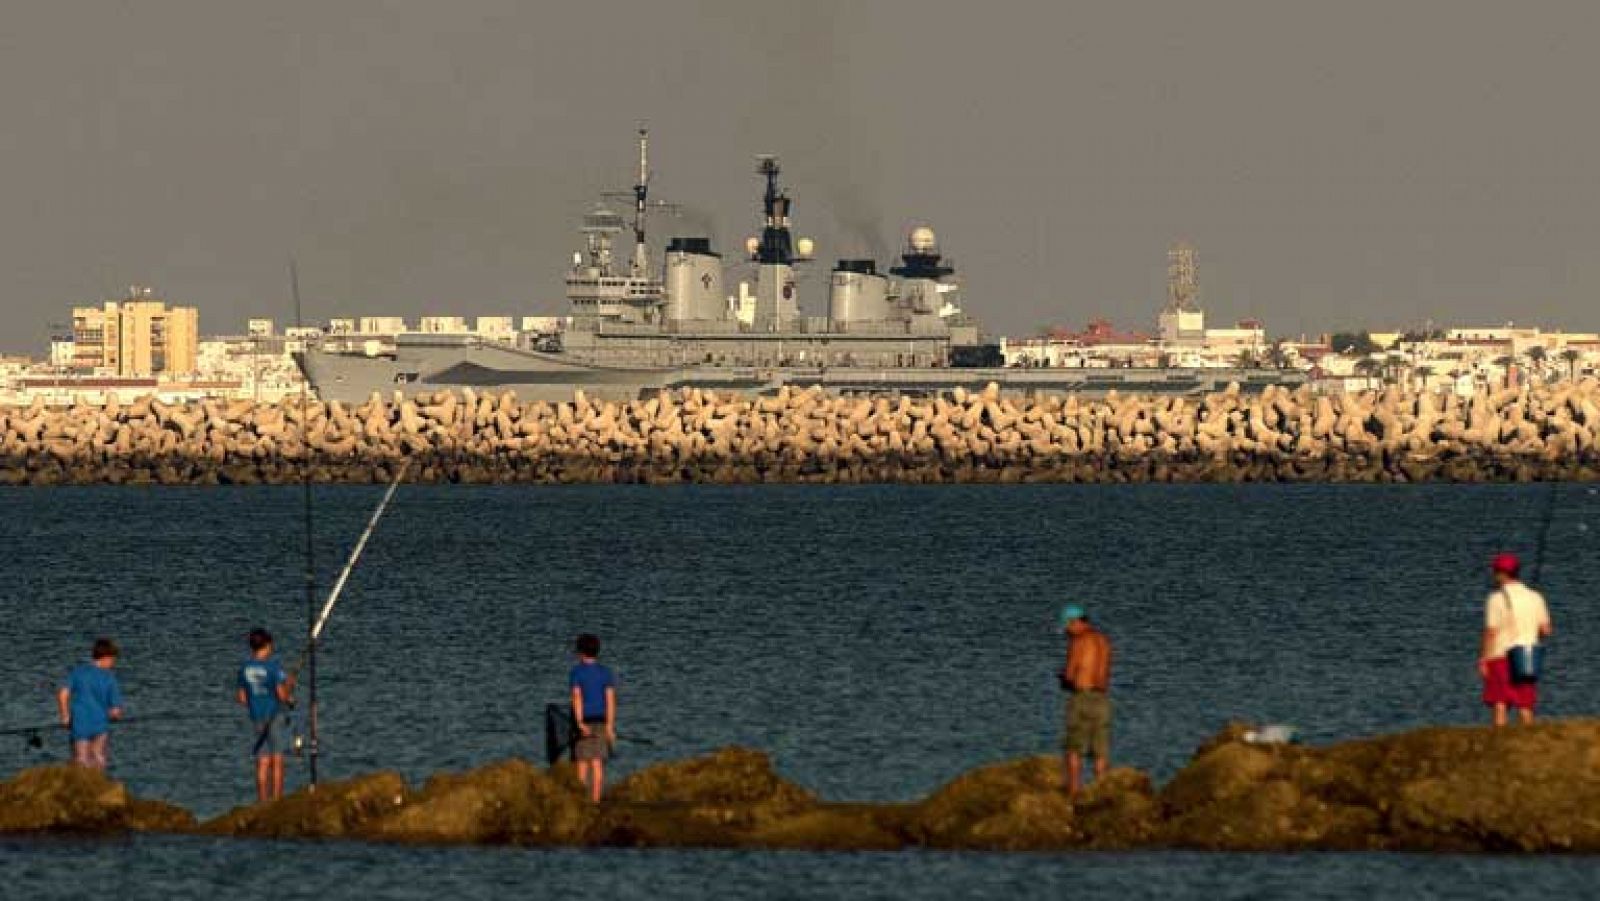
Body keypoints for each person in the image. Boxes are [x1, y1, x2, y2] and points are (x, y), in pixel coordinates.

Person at [1479, 553, 1552, 727]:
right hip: (1527, 656)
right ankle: (1528, 741)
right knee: (1525, 705)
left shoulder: (1496, 599)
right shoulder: (1535, 597)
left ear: (1501, 574)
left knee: (1500, 703)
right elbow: (1546, 630)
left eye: (1495, 571)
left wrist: (1484, 659)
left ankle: (1499, 743)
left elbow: (1491, 632)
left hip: (1501, 657)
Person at [1059, 605, 1112, 797]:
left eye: (1067, 627)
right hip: (1102, 699)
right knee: (1101, 750)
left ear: (1076, 622)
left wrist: (1063, 679)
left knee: (1074, 748)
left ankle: (1073, 793)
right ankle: (1102, 791)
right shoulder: (1104, 641)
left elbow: (1070, 675)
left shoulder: (1079, 641)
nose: (1067, 632)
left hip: (1082, 697)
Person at [237, 628, 293, 801]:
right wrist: (289, 685)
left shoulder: (244, 668)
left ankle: (262, 801)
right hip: (274, 716)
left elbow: (241, 697)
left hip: (256, 716)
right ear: (267, 645)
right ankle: (276, 799)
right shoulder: (273, 668)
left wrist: (256, 701)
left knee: (262, 760)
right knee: (277, 758)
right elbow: (282, 695)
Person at [57, 638, 125, 770]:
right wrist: (115, 715)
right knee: (98, 757)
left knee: (81, 760)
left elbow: (62, 694)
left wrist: (65, 717)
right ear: (106, 657)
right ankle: (99, 785)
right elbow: (116, 711)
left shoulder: (78, 672)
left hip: (80, 723)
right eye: (113, 659)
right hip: (100, 725)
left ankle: (80, 785)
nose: (113, 663)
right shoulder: (109, 678)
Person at [568, 633, 617, 803]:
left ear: (580, 653)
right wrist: (610, 727)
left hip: (585, 722)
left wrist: (579, 722)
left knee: (582, 764)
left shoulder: (577, 672)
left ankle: (581, 802)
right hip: (601, 722)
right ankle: (596, 802)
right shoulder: (606, 673)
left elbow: (576, 697)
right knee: (597, 765)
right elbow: (610, 700)